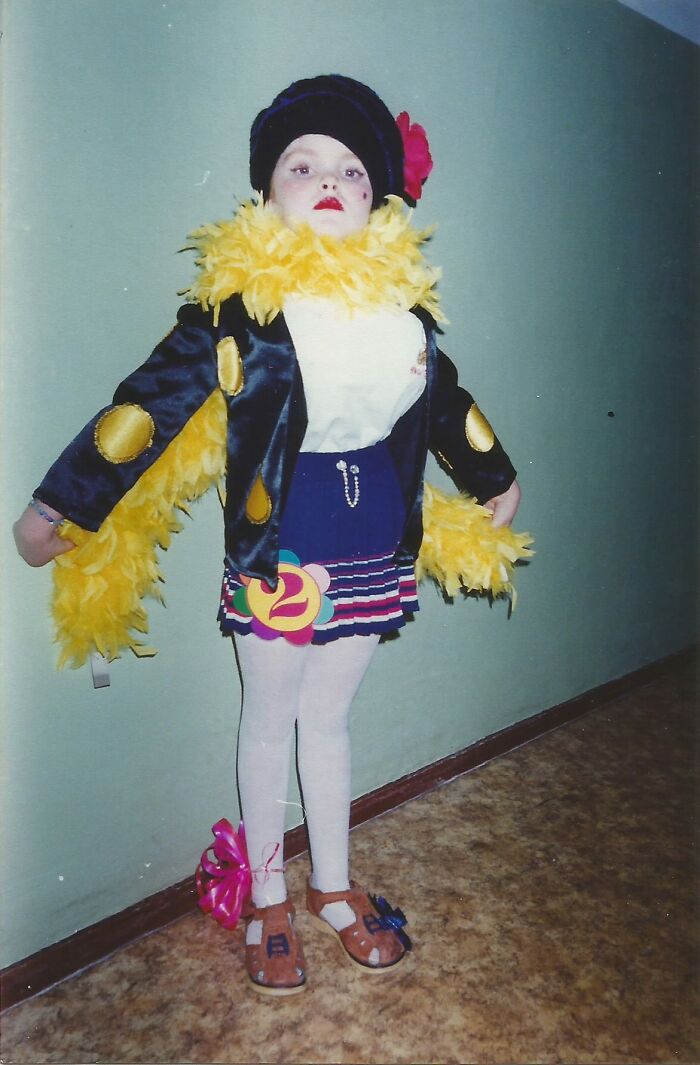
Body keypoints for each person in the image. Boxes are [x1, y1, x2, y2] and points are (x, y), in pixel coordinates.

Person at [13, 75, 524, 996]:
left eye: (351, 169)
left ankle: (333, 885)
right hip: (279, 555)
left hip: (374, 550)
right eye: (303, 164)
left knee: (330, 719)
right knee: (269, 718)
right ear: (266, 194)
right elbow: (146, 408)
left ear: (378, 202)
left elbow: (448, 404)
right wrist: (62, 504)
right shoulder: (239, 310)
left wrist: (495, 474)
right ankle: (267, 898)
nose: (329, 178)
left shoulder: (406, 316)